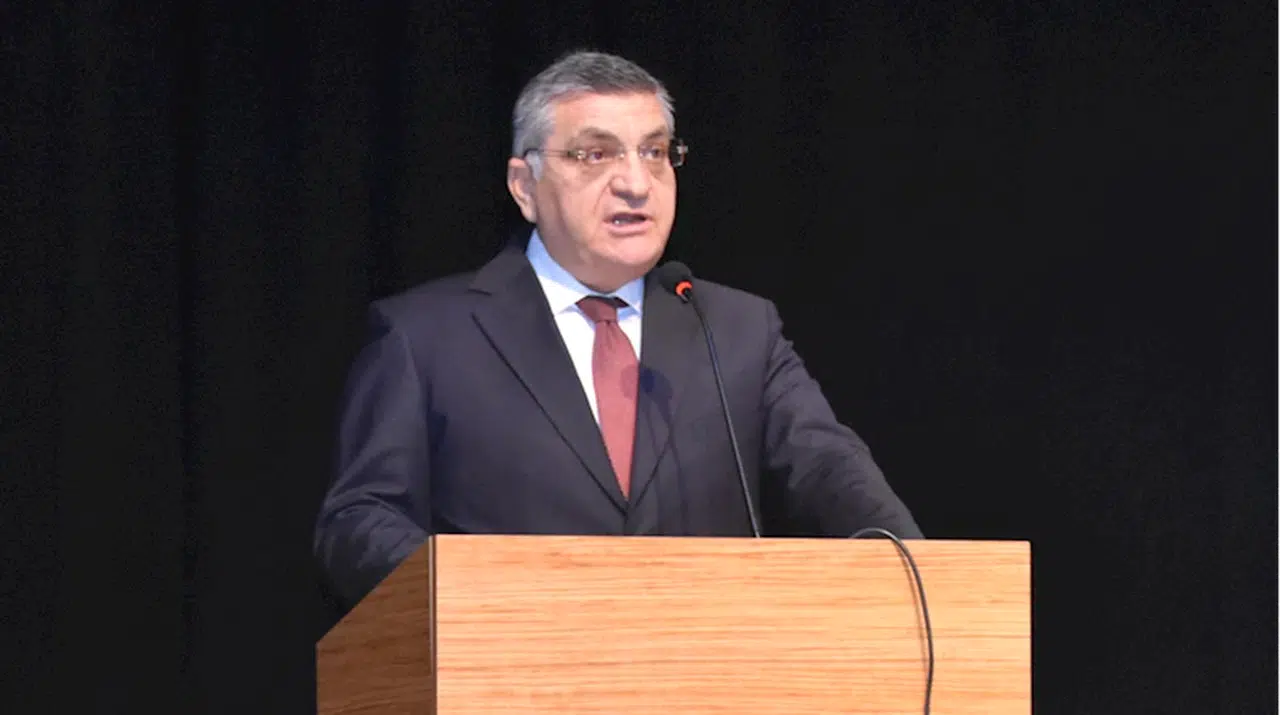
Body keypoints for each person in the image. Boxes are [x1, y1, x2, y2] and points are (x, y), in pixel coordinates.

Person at [314, 50, 922, 607]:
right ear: (524, 187)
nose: (636, 182)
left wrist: (917, 574)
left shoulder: (737, 329)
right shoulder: (425, 336)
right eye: (595, 154)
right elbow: (360, 521)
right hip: (508, 663)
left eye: (654, 152)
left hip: (705, 666)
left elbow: (829, 468)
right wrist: (479, 600)